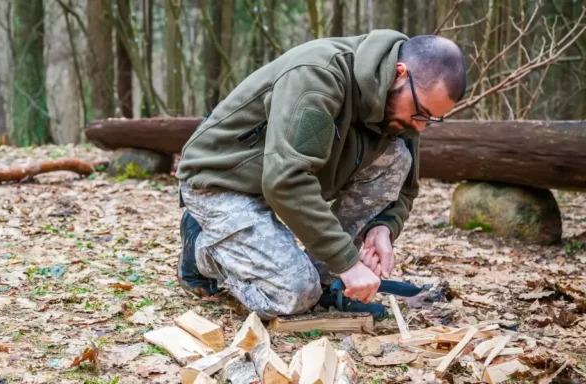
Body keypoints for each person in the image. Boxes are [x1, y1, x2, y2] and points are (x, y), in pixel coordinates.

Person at [174, 30, 467, 320]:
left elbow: (404, 186)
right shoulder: (319, 76)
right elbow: (287, 180)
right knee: (293, 295)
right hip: (221, 180)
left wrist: (383, 226)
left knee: (397, 156)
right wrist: (349, 263)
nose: (420, 128)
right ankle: (203, 249)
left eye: (432, 120)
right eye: (421, 114)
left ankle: (324, 279)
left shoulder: (405, 111)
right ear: (400, 74)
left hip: (277, 183)